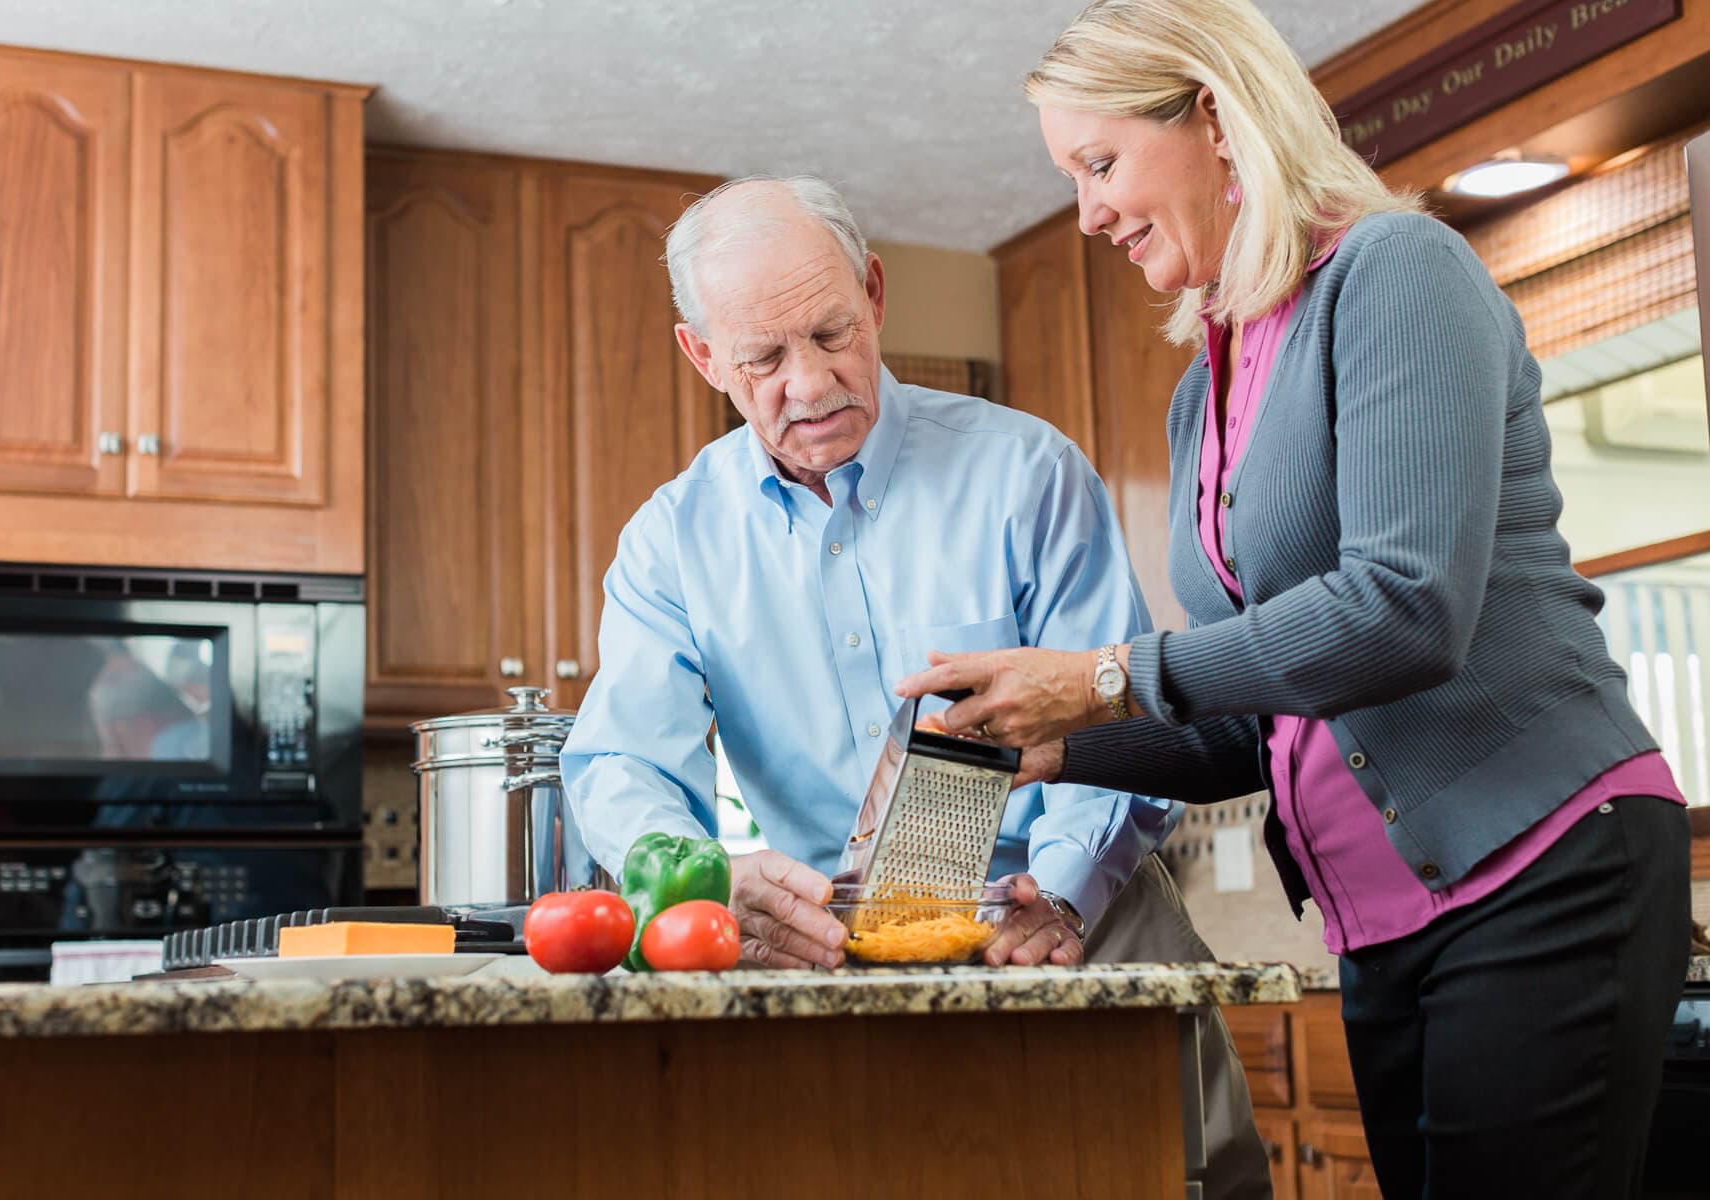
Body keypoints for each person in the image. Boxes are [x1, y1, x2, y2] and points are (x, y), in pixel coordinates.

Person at [895, 3, 1690, 1198]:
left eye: (1101, 164)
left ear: (1215, 118)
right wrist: (1053, 742)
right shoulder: (1198, 395)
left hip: (1543, 862)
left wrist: (1107, 673)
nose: (1090, 213)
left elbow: (1404, 608)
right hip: (1381, 919)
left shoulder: (1395, 271)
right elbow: (1251, 728)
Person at [560, 175, 1272, 1199]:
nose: (809, 385)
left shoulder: (1026, 471)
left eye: (831, 332)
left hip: (1084, 921)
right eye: (762, 358)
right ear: (703, 355)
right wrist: (709, 878)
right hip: (838, 961)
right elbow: (622, 761)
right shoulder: (670, 542)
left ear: (876, 293)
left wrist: (1066, 893)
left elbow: (1117, 716)